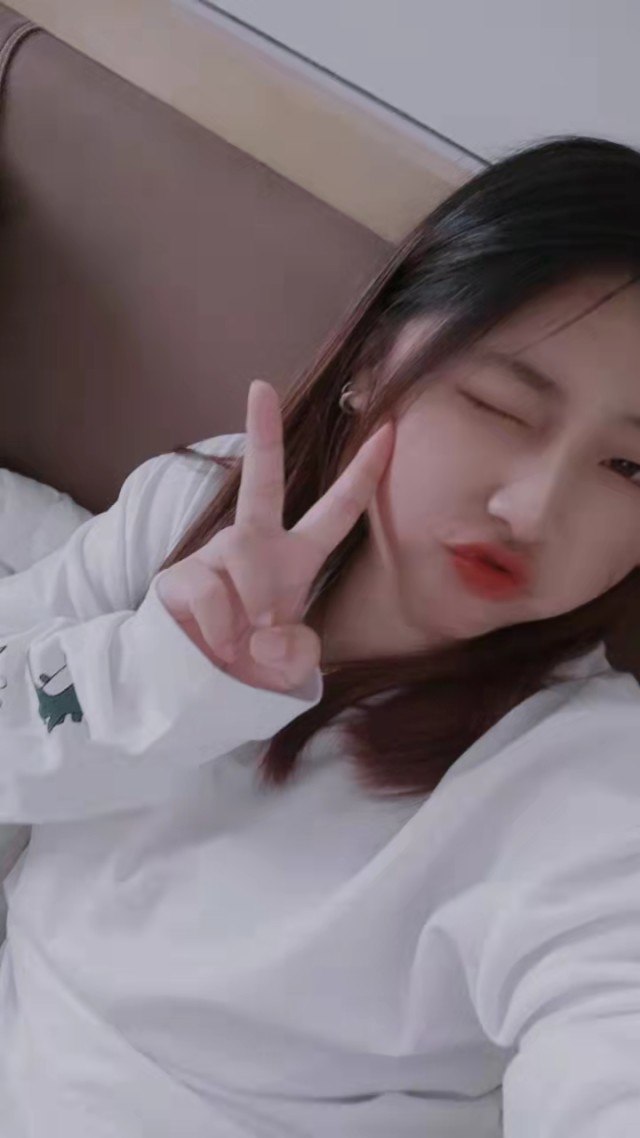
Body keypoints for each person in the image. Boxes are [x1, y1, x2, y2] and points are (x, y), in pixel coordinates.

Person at [1, 136, 640, 1137]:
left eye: (630, 469)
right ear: (373, 360)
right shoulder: (190, 512)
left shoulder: (588, 771)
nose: (530, 507)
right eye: (501, 406)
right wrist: (160, 674)